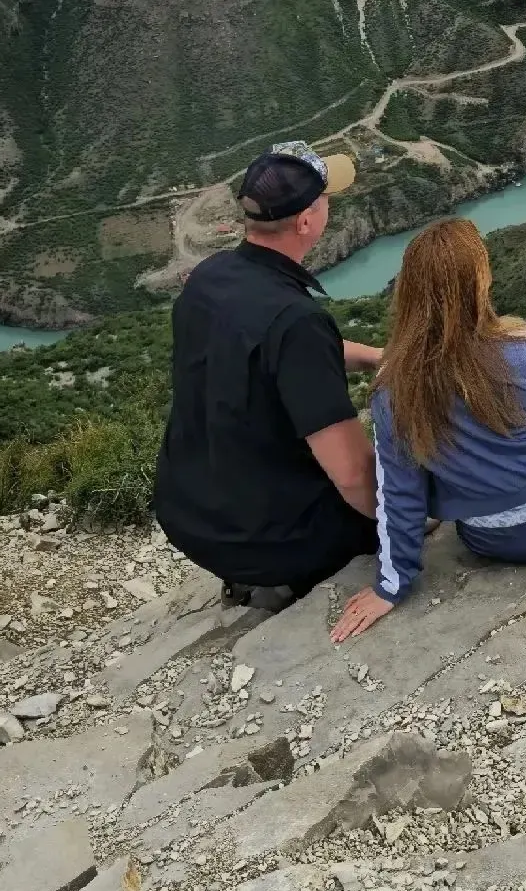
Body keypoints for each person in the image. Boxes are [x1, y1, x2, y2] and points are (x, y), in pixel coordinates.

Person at [330, 217, 526, 642]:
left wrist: (390, 586)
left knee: (428, 460)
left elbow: (399, 493)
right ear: (479, 281)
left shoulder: (392, 394)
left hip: (499, 542)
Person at [154, 139, 383, 610]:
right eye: (325, 200)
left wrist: (375, 356)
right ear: (306, 221)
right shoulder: (298, 321)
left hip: (189, 512)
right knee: (406, 476)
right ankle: (288, 580)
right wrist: (404, 519)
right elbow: (353, 474)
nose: (329, 208)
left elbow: (272, 350)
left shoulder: (211, 276)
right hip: (270, 539)